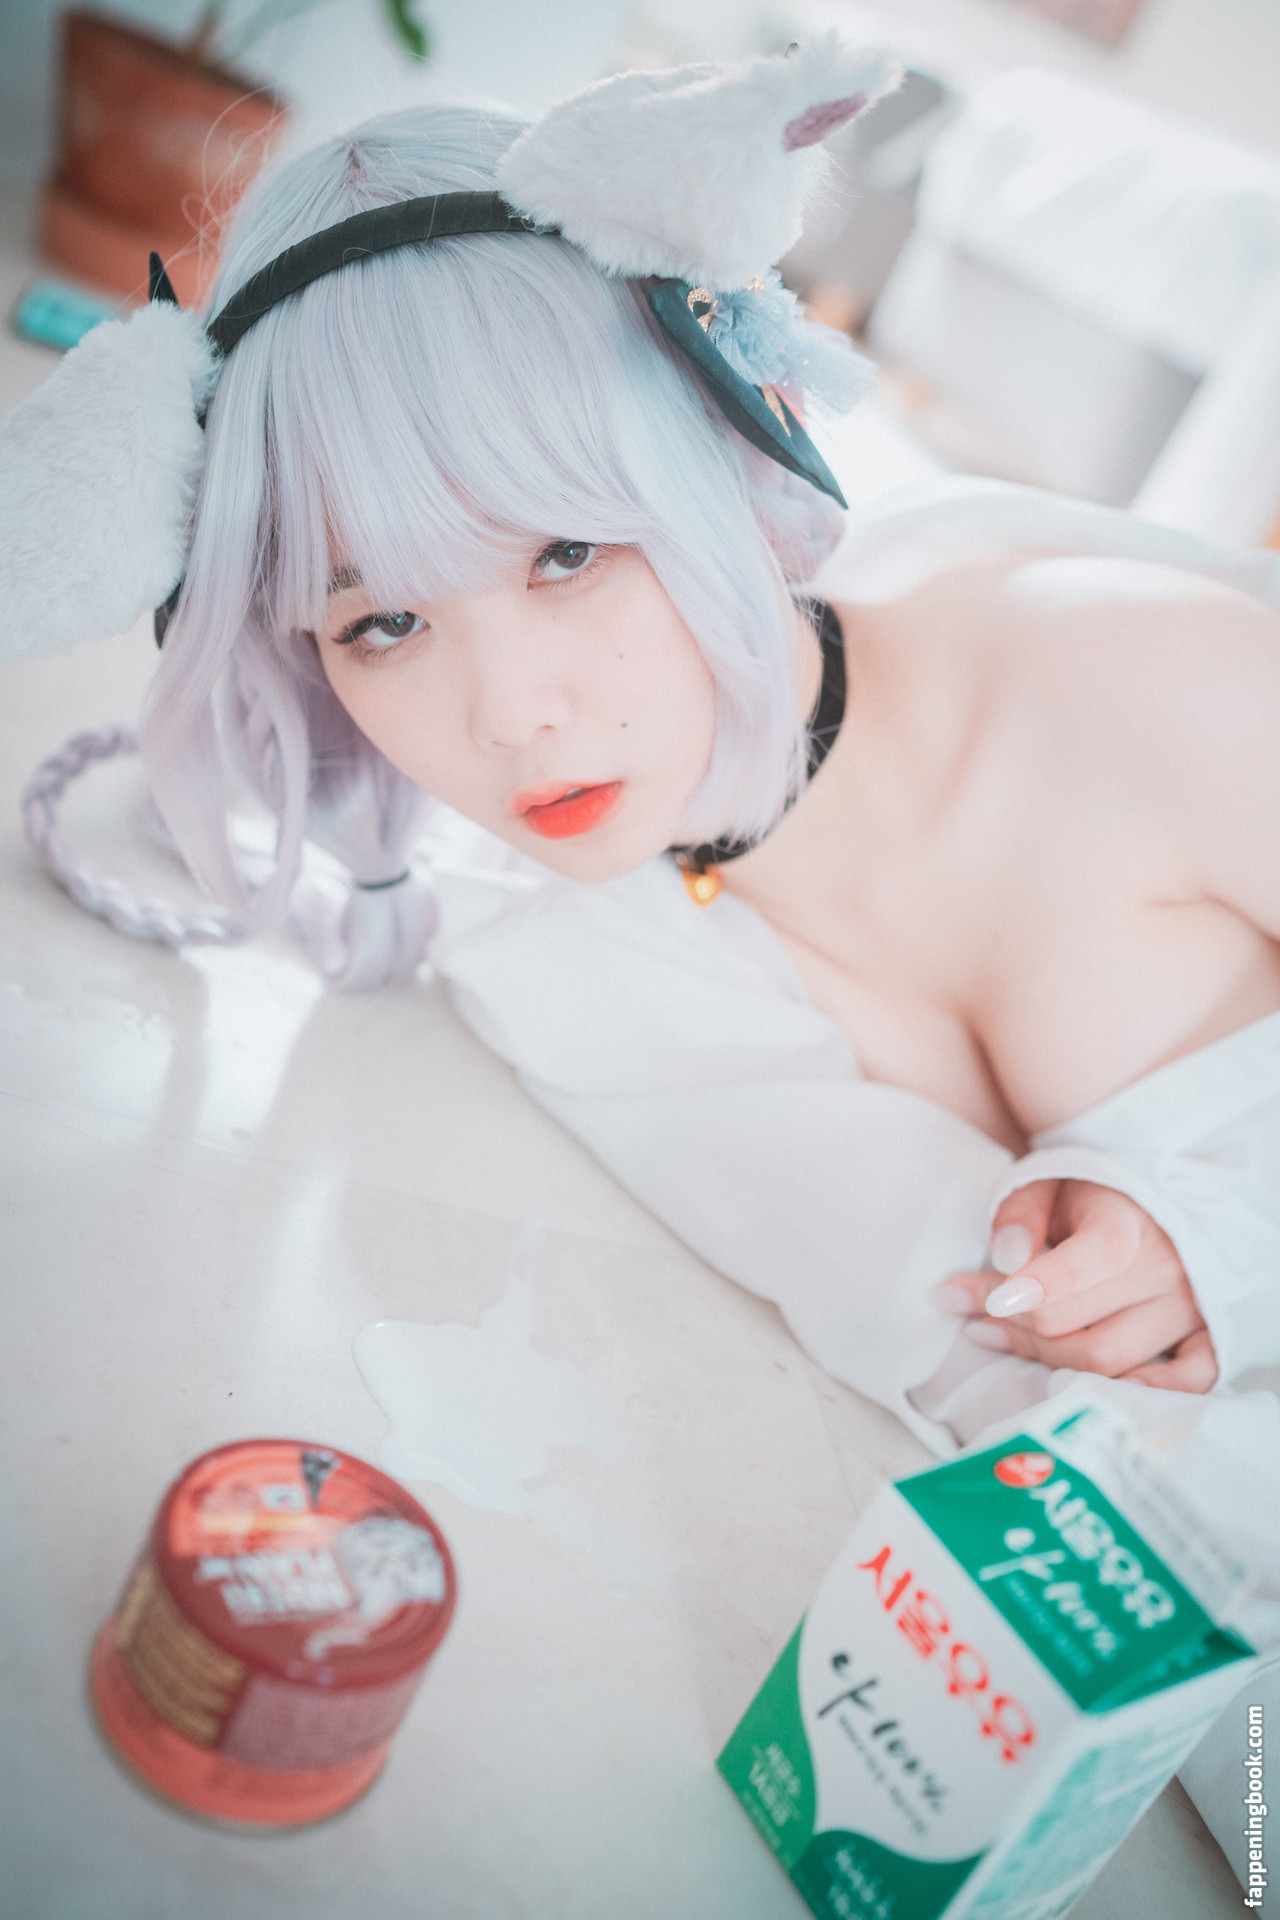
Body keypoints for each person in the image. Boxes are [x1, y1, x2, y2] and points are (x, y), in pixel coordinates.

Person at [5, 45, 1280, 1455]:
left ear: (743, 438)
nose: (508, 717)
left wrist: (1241, 1237)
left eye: (567, 551)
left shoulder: (1141, 675)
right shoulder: (558, 958)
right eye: (384, 624)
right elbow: (1001, 1394)